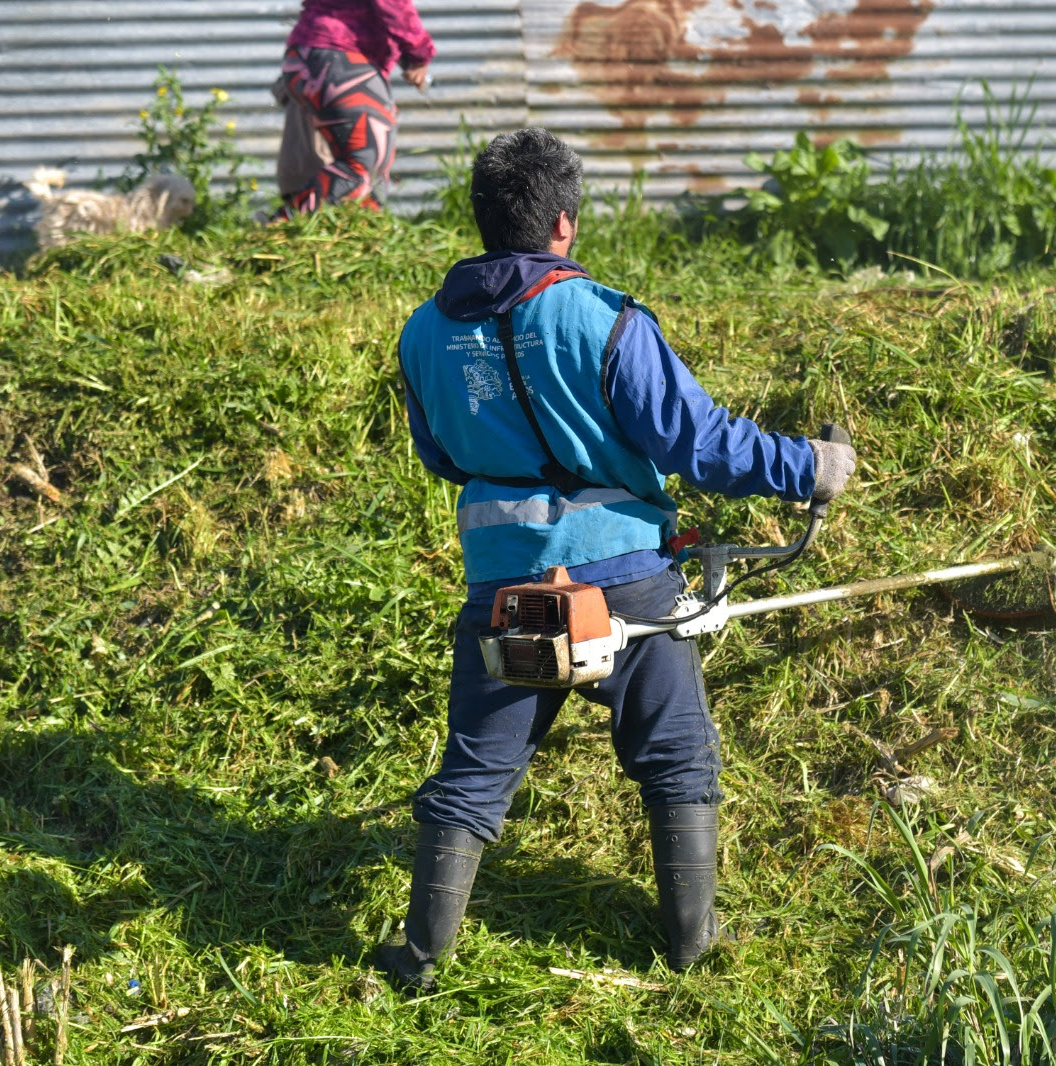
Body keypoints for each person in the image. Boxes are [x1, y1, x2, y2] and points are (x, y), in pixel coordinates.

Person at [375, 128, 856, 993]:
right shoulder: (599, 317)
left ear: (484, 218)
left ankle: (417, 961)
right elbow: (697, 442)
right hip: (625, 583)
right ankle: (691, 948)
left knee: (474, 773)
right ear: (564, 221)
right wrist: (809, 467)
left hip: (503, 587)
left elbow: (442, 456)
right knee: (675, 755)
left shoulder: (422, 333)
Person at [270, 0, 435, 220]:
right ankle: (280, 226)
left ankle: (363, 232)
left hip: (315, 54)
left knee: (369, 168)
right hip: (338, 55)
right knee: (364, 165)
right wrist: (419, 52)